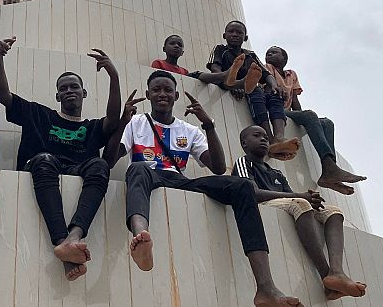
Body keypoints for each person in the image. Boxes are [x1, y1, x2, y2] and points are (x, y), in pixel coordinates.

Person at [104, 70, 302, 307]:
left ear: (176, 95)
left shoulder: (189, 130)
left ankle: (266, 287)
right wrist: (122, 123)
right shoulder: (135, 123)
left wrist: (209, 126)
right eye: (156, 90)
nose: (162, 94)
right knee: (136, 169)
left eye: (168, 90)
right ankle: (141, 238)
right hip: (147, 174)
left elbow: (218, 168)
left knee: (242, 186)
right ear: (148, 94)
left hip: (180, 180)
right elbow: (109, 161)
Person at [0, 36, 121, 281]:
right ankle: (64, 243)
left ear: (84, 93)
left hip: (77, 169)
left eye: (74, 87)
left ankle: (73, 238)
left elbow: (113, 120)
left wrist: (113, 76)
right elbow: (4, 97)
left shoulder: (93, 127)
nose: (69, 91)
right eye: (63, 88)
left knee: (100, 165)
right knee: (43, 159)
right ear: (57, 96)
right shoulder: (39, 114)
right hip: (44, 167)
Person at [233, 125, 367, 300]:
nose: (264, 139)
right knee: (301, 204)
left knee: (333, 212)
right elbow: (251, 192)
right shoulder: (244, 163)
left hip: (288, 202)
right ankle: (325, 274)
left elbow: (290, 195)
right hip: (263, 204)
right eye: (257, 135)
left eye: (266, 136)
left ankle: (337, 271)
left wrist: (311, 199)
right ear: (244, 143)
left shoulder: (276, 172)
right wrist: (301, 196)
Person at [264, 46, 366, 195]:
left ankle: (329, 169)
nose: (269, 54)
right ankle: (330, 170)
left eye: (274, 52)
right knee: (310, 115)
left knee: (327, 123)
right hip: (275, 109)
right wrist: (307, 116)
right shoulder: (267, 68)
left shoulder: (291, 74)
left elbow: (295, 101)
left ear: (285, 59)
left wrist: (304, 117)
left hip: (290, 112)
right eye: (268, 53)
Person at [207, 20, 299, 160]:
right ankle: (269, 138)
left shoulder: (250, 55)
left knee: (273, 93)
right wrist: (232, 85)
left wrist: (275, 85)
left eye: (239, 32)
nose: (235, 34)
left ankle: (279, 138)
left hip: (248, 87)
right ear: (224, 35)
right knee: (255, 91)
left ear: (245, 38)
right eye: (231, 31)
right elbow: (215, 71)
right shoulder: (220, 50)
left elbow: (265, 74)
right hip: (229, 84)